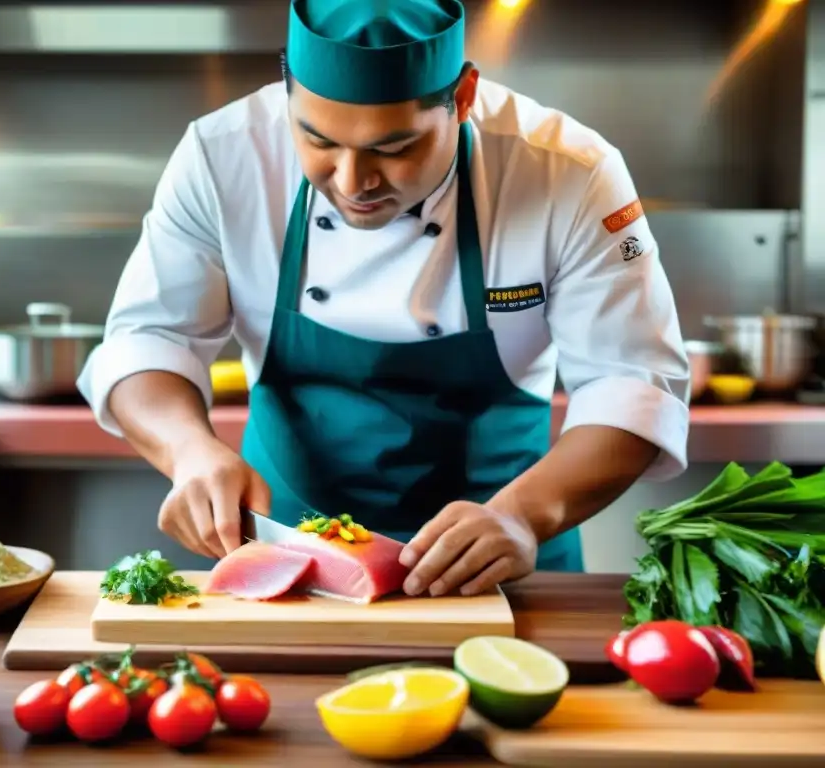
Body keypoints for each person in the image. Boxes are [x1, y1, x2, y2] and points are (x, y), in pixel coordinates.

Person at [78, 0, 690, 598]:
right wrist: (187, 449)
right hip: (293, 561)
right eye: (317, 141)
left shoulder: (568, 172)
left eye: (394, 149)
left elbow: (631, 384)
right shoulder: (222, 154)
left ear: (464, 97)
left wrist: (524, 515)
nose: (353, 183)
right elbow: (150, 339)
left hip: (498, 557)